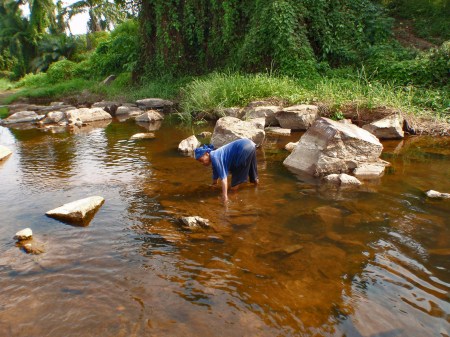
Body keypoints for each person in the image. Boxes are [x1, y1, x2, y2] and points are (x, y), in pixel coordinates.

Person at [194, 138, 259, 202]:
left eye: (201, 160)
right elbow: (215, 172)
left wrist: (225, 197)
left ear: (207, 154)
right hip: (250, 144)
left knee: (234, 184)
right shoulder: (214, 155)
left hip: (243, 149)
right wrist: (214, 184)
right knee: (254, 177)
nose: (202, 163)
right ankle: (257, 189)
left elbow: (224, 178)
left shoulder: (215, 158)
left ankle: (234, 197)